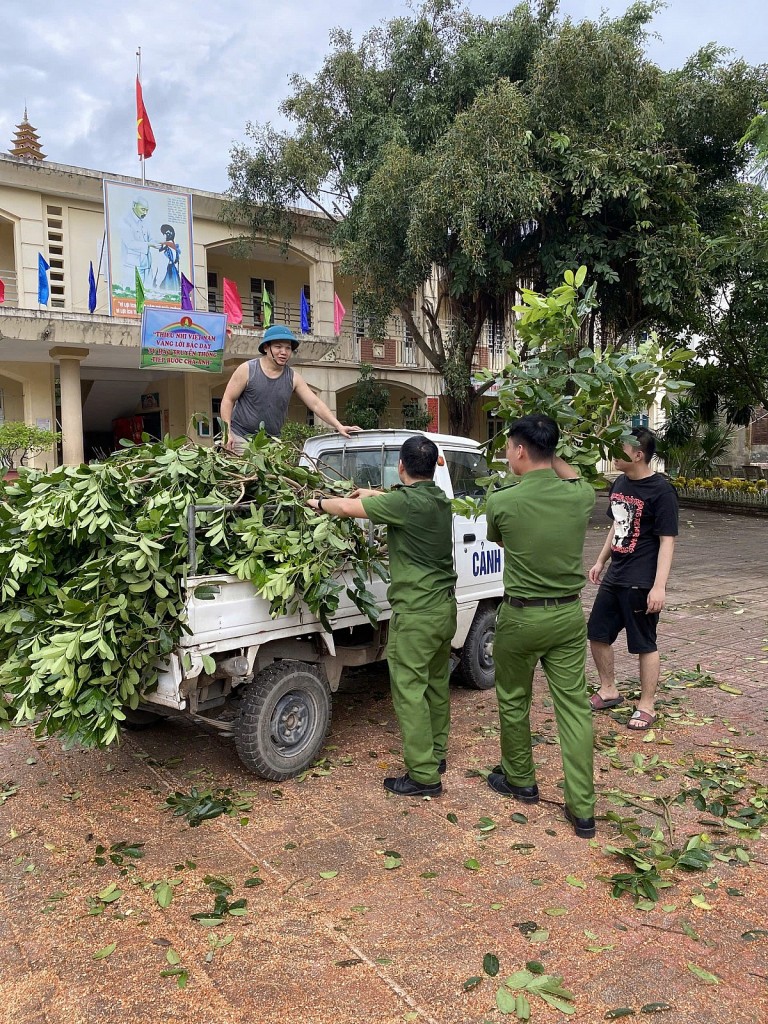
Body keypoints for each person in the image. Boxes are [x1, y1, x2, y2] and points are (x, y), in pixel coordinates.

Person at [306, 434, 457, 797]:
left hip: (417, 613)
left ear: (400, 466)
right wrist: (368, 494)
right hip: (444, 610)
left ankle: (423, 776)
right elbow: (396, 501)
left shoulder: (405, 503)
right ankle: (436, 755)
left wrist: (316, 501)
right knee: (436, 684)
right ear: (435, 465)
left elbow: (343, 511)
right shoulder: (439, 500)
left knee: (408, 690)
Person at [485, 414, 597, 839]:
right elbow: (573, 475)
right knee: (573, 708)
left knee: (514, 698)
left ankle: (521, 780)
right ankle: (583, 810)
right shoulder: (580, 495)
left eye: (510, 447)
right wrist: (552, 455)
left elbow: (498, 539)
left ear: (520, 450)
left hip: (521, 615)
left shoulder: (502, 500)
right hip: (568, 616)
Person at [587, 426, 678, 731]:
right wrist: (601, 560)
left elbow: (667, 541)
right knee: (597, 633)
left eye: (620, 449)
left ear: (638, 455)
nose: (613, 453)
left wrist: (659, 586)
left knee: (644, 643)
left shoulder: (662, 491)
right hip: (617, 574)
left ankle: (647, 706)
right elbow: (617, 525)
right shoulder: (620, 484)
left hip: (641, 579)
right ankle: (609, 689)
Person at [219, 325, 359, 450]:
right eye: (278, 347)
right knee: (245, 478)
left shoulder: (293, 378)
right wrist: (227, 433)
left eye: (288, 348)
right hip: (240, 438)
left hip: (271, 442)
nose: (284, 352)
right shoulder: (247, 369)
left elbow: (315, 404)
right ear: (266, 348)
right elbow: (228, 400)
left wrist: (338, 425)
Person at [120, 195, 156, 289]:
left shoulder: (145, 222)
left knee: (147, 293)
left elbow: (150, 238)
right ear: (134, 205)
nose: (145, 213)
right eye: (143, 209)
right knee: (133, 293)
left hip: (147, 264)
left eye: (147, 210)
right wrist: (149, 244)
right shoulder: (126, 221)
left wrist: (157, 244)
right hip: (133, 265)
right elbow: (130, 243)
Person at [156, 223, 181, 293]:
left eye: (162, 234)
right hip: (174, 273)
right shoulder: (174, 247)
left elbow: (162, 268)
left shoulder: (166, 247)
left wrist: (158, 283)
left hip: (168, 273)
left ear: (165, 235)